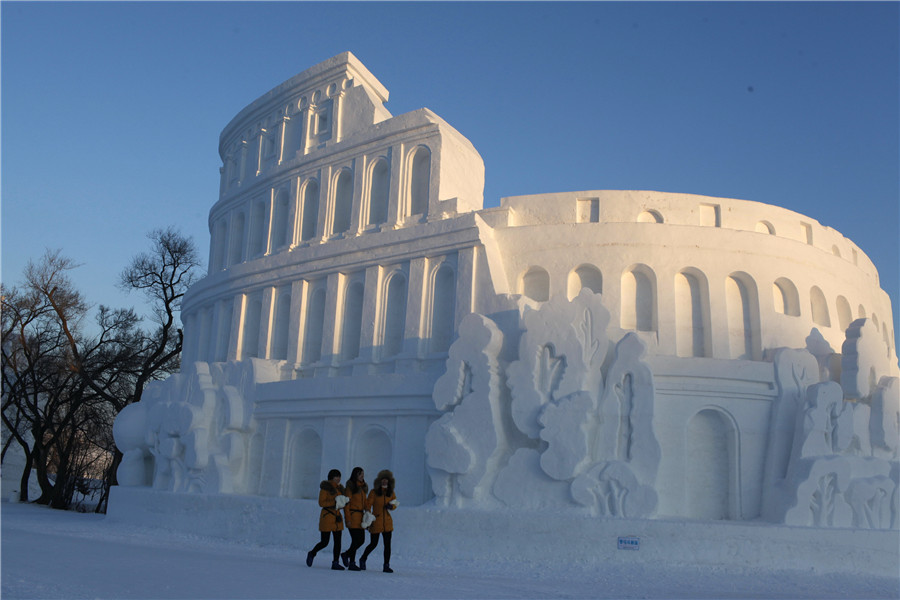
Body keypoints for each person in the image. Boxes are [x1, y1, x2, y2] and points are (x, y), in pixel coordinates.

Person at [306, 469, 349, 570]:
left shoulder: (340, 489)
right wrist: (334, 503)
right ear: (331, 477)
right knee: (325, 541)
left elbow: (341, 503)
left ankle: (335, 562)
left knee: (338, 541)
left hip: (337, 518)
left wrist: (343, 503)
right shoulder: (325, 488)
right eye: (336, 476)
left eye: (339, 476)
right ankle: (312, 553)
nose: (338, 478)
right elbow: (321, 502)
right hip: (327, 517)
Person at [359, 469, 398, 573]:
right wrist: (368, 514)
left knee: (387, 545)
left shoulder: (391, 493)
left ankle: (386, 565)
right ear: (379, 481)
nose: (384, 482)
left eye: (386, 480)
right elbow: (368, 504)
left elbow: (395, 503)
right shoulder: (374, 492)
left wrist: (391, 506)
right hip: (376, 520)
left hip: (387, 522)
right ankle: (363, 558)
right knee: (373, 543)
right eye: (383, 480)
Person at [339, 467, 368, 571]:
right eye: (360, 474)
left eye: (363, 474)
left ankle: (346, 555)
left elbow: (365, 503)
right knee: (356, 540)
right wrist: (348, 519)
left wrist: (368, 514)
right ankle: (352, 562)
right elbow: (346, 504)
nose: (362, 476)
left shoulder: (363, 488)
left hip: (360, 518)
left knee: (361, 540)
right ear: (355, 475)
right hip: (352, 516)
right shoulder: (350, 487)